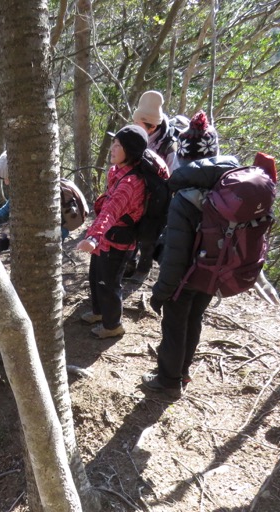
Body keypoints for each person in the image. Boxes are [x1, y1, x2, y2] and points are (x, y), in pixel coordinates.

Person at [141, 111, 235, 398]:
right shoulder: (230, 185)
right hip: (214, 270)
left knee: (174, 323)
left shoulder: (185, 197)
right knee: (195, 319)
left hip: (187, 276)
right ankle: (182, 371)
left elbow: (175, 257)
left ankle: (168, 381)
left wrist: (160, 292)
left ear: (182, 157)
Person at [76, 125, 153, 339]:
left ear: (130, 151)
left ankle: (113, 326)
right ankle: (100, 313)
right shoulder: (118, 171)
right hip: (106, 238)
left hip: (118, 241)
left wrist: (92, 236)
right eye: (113, 144)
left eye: (118, 145)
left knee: (109, 283)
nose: (112, 149)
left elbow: (111, 211)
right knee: (96, 276)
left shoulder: (131, 182)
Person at [129, 91, 187, 279]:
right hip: (133, 193)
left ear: (152, 127)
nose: (135, 128)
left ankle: (143, 269)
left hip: (157, 198)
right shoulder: (134, 134)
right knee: (129, 229)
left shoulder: (169, 146)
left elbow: (175, 176)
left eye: (139, 125)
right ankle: (128, 263)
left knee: (149, 236)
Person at [0, 151, 82, 249]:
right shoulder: (25, 188)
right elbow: (9, 208)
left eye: (8, 178)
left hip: (56, 234)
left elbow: (36, 230)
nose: (6, 183)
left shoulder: (37, 192)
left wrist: (10, 241)